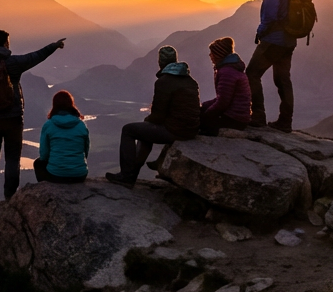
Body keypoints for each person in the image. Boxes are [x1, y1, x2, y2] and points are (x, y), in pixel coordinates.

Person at [0, 30, 66, 210]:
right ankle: (10, 198)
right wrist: (54, 45)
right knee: (12, 159)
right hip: (13, 118)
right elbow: (36, 56)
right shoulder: (13, 63)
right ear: (6, 43)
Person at [105, 45, 200, 188]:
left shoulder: (164, 81)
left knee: (129, 130)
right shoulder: (189, 80)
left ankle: (127, 175)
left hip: (175, 131)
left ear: (160, 62)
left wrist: (148, 120)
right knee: (146, 130)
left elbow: (158, 115)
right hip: (190, 129)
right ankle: (130, 175)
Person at [248, 0, 297, 132]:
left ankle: (258, 116)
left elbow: (270, 16)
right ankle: (285, 122)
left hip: (273, 40)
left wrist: (260, 32)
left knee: (252, 74)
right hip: (289, 41)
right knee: (283, 80)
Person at [33, 91, 89, 183]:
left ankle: (46, 190)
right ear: (71, 104)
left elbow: (44, 154)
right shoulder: (81, 125)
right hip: (80, 175)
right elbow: (85, 150)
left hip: (56, 175)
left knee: (38, 163)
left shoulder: (49, 125)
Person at [200, 37, 252, 135]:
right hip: (238, 116)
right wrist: (204, 106)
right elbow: (223, 98)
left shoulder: (227, 72)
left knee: (197, 122)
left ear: (218, 55)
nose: (210, 55)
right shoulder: (230, 68)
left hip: (234, 119)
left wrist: (206, 114)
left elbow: (223, 102)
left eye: (212, 53)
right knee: (201, 111)